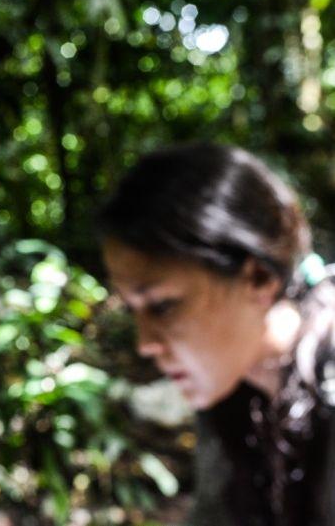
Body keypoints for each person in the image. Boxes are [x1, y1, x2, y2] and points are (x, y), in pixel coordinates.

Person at [98, 143, 335, 526]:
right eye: (132, 310)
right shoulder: (232, 396)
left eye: (163, 306)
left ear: (259, 277)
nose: (145, 344)